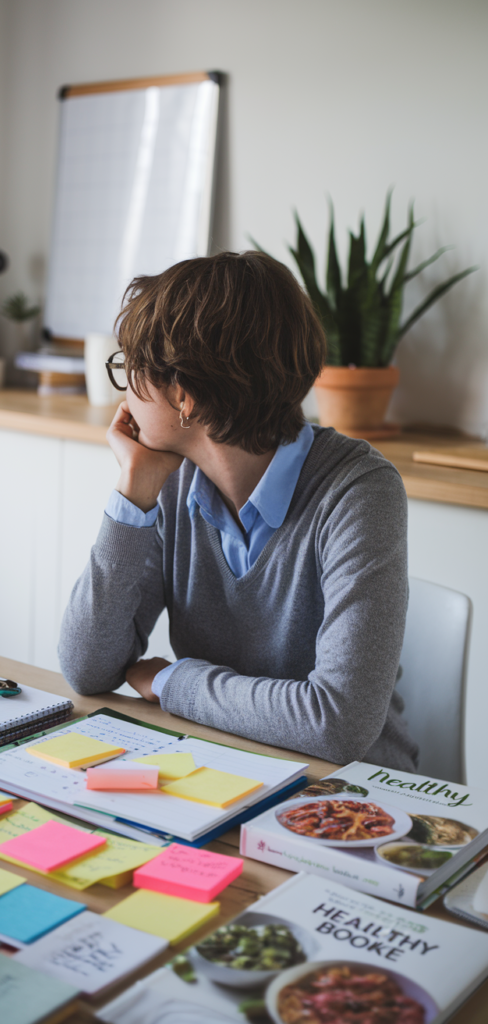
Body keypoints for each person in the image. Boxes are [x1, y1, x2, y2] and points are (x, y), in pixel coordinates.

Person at [59, 251, 417, 771]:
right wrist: (133, 491)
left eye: (129, 368)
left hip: (350, 796)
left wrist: (171, 680)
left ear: (185, 396)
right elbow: (87, 667)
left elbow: (336, 725)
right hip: (220, 767)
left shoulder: (359, 492)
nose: (124, 397)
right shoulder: (172, 479)